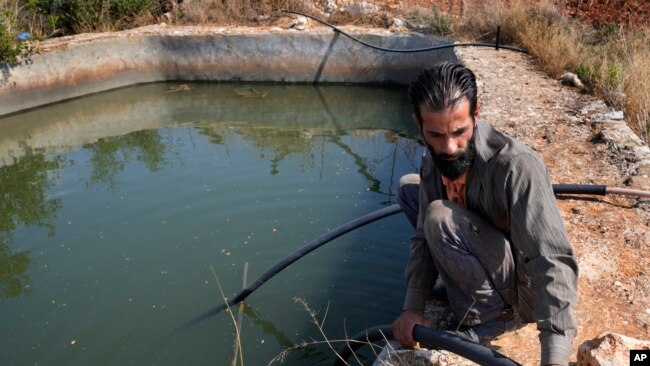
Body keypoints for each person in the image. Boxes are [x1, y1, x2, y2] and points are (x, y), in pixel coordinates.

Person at [391, 62, 578, 366]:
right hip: (483, 249)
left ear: (476, 115)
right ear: (419, 125)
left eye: (459, 132)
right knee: (409, 189)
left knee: (439, 216)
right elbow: (422, 237)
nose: (449, 146)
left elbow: (552, 260)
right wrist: (413, 306)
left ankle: (492, 317)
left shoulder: (516, 166)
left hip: (520, 291)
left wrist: (554, 358)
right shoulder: (432, 156)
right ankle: (461, 284)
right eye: (436, 134)